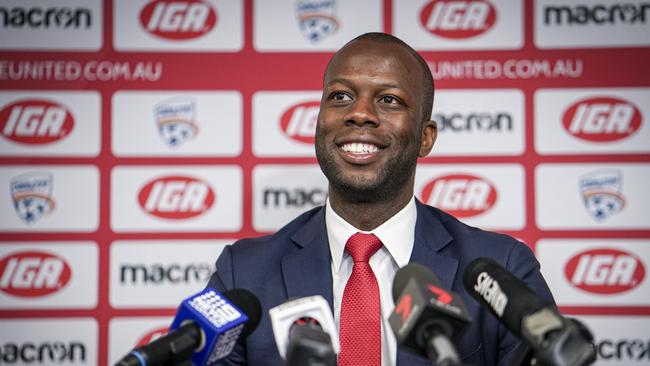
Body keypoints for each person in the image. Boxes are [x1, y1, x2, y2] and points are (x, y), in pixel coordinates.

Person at [207, 32, 555, 366]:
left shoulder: (501, 268)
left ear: (425, 137)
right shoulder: (243, 274)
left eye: (388, 100)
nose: (359, 113)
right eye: (340, 96)